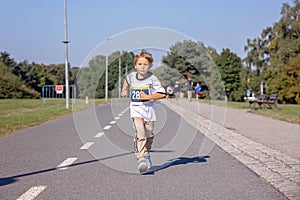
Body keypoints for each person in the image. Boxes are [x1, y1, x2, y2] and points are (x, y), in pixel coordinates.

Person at [121, 49, 166, 174]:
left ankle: (146, 154)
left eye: (145, 64)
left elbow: (163, 94)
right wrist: (124, 90)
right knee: (140, 133)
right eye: (140, 64)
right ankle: (140, 158)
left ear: (150, 66)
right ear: (135, 65)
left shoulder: (152, 79)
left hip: (149, 112)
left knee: (149, 135)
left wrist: (147, 97)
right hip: (136, 111)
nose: (142, 67)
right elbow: (126, 80)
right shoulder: (131, 77)